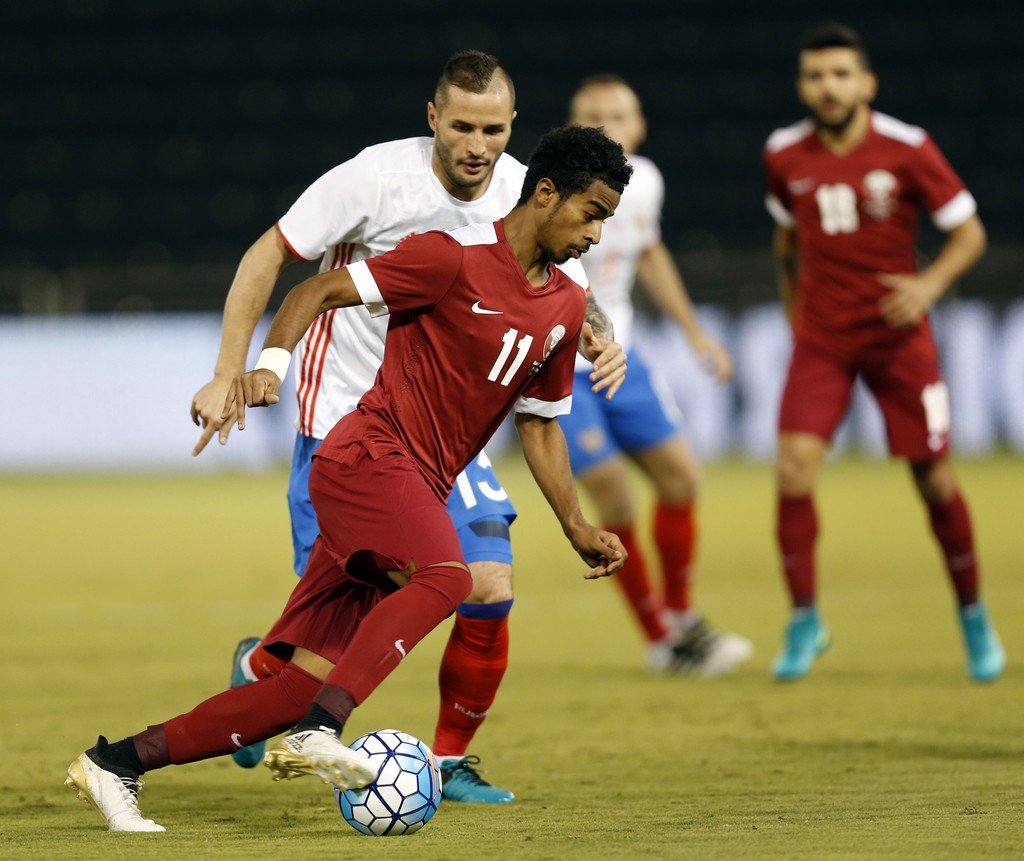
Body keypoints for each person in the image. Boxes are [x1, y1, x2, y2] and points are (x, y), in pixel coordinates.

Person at [66, 124, 632, 833]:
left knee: (291, 687)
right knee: (449, 578)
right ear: (545, 193)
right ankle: (322, 727)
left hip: (413, 486)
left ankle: (115, 763)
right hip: (366, 456)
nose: (596, 234)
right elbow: (317, 289)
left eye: (606, 219)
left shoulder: (566, 304)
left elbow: (540, 423)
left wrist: (576, 524)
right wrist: (268, 366)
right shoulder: (448, 258)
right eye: (591, 213)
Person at [188, 51, 623, 802]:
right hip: (347, 420)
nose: (477, 146)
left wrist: (600, 335)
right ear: (433, 119)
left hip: (446, 434)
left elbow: (571, 289)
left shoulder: (532, 190)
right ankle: (263, 669)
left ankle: (446, 763)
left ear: (512, 127)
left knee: (486, 583)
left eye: (492, 130)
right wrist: (234, 368)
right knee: (343, 628)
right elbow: (272, 256)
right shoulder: (375, 178)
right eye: (461, 127)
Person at [763, 23, 1004, 681]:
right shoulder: (782, 154)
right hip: (823, 341)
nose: (829, 87)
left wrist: (927, 285)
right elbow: (786, 245)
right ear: (802, 86)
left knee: (935, 479)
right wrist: (795, 318)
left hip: (899, 341)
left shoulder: (908, 147)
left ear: (866, 83)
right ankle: (804, 620)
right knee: (792, 471)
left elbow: (970, 233)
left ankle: (973, 614)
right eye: (816, 75)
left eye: (841, 74)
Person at [565, 75, 752, 675]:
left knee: (681, 478)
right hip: (560, 367)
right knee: (613, 492)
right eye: (593, 117)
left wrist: (695, 333)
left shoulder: (644, 182)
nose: (607, 127)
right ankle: (660, 641)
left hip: (623, 355)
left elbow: (647, 252)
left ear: (640, 126)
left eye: (618, 115)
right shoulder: (547, 190)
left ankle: (680, 614)